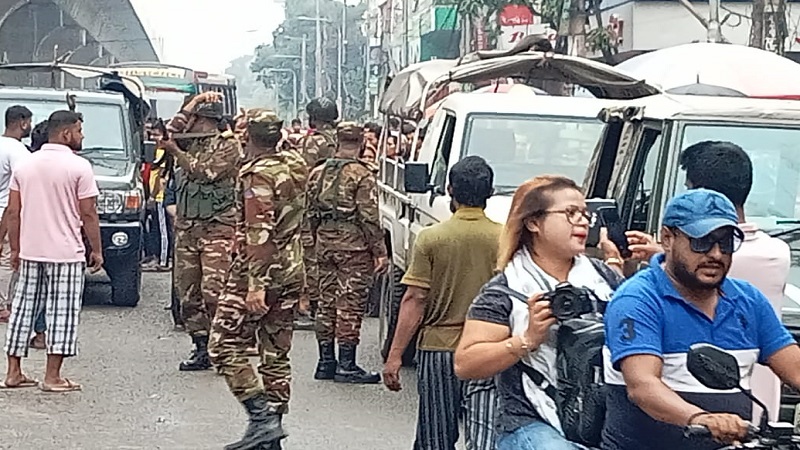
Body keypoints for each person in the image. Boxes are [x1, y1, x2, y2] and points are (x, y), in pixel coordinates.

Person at [601, 189, 800, 450]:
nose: (716, 254)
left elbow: (794, 368)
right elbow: (643, 386)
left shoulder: (749, 300)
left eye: (726, 242)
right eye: (702, 241)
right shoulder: (637, 300)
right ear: (667, 238)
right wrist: (701, 418)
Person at [455, 175, 623, 450]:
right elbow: (465, 363)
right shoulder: (505, 290)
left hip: (606, 413)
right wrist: (527, 340)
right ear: (534, 222)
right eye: (570, 213)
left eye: (584, 213)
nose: (582, 221)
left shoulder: (603, 278)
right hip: (532, 423)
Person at [383, 156, 501, 450]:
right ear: (491, 192)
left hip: (439, 350)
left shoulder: (431, 238)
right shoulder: (505, 239)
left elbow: (415, 298)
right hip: (489, 349)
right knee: (486, 432)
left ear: (450, 190)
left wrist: (395, 355)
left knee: (436, 434)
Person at [208, 110, 306, 450]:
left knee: (222, 345)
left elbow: (259, 230)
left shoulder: (259, 175)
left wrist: (255, 284)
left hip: (263, 269)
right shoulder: (294, 165)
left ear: (248, 137)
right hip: (292, 268)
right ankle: (271, 437)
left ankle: (262, 417)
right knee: (276, 352)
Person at [2, 110, 102, 392]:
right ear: (66, 133)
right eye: (79, 131)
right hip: (66, 253)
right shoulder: (79, 167)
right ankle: (52, 376)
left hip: (31, 251)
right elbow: (89, 213)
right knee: (62, 312)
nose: (82, 136)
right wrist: (96, 250)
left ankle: (13, 372)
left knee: (22, 309)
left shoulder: (25, 166)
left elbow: (13, 211)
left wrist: (17, 248)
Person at [162, 92, 242, 372]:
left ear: (204, 121)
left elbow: (205, 172)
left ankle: (223, 346)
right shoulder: (190, 140)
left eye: (193, 118)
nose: (187, 123)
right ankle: (200, 346)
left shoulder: (228, 146)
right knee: (187, 291)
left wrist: (176, 153)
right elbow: (168, 132)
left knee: (214, 291)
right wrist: (190, 105)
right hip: (188, 228)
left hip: (217, 228)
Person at [308, 122, 388, 384]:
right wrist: (380, 251)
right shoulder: (362, 175)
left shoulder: (317, 173)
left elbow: (309, 213)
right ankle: (346, 364)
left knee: (326, 301)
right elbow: (369, 217)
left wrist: (318, 239)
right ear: (362, 142)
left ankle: (325, 361)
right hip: (354, 248)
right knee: (350, 303)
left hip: (324, 244)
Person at [296, 98, 339, 331]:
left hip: (312, 204)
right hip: (338, 204)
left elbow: (303, 173)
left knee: (310, 257)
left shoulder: (314, 142)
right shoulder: (343, 137)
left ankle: (314, 307)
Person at [0, 106, 33, 324]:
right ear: (22, 122)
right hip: (7, 211)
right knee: (7, 259)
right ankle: (3, 305)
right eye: (29, 122)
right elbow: (24, 183)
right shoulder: (18, 151)